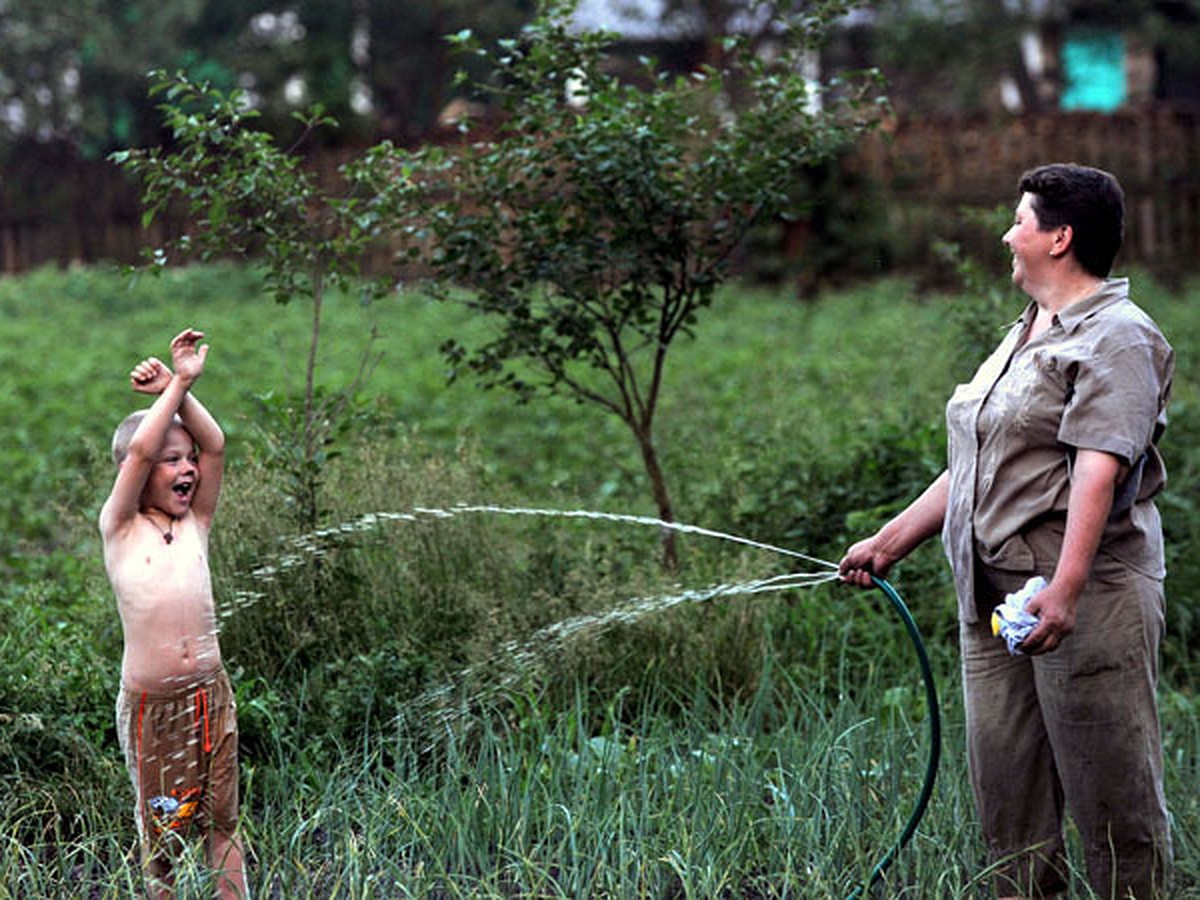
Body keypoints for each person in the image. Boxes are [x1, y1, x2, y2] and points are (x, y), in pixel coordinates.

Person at [839, 164, 1173, 898]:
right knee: (1008, 802)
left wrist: (1068, 588)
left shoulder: (1118, 337)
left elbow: (1098, 468)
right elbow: (978, 460)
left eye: (1020, 221)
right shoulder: (1024, 331)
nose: (1006, 234)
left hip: (1081, 598)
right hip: (993, 600)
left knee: (1113, 799)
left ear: (1060, 238)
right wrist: (891, 540)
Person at [100, 328, 248, 899]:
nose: (187, 469)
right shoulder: (119, 527)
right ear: (136, 479)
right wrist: (177, 383)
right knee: (163, 837)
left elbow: (216, 446)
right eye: (171, 461)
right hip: (153, 710)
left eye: (187, 461)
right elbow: (138, 448)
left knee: (222, 823)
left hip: (211, 696)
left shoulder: (195, 525)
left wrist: (181, 391)